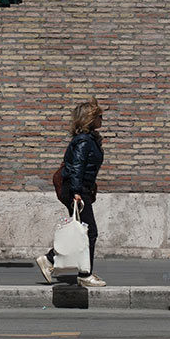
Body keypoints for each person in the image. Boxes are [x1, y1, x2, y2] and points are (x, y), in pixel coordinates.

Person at [36, 98, 106, 288]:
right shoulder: (84, 141)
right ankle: (82, 273)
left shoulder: (88, 139)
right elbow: (77, 167)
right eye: (100, 116)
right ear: (91, 118)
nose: (102, 119)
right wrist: (77, 192)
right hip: (77, 190)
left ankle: (57, 262)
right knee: (89, 232)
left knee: (84, 232)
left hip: (81, 189)